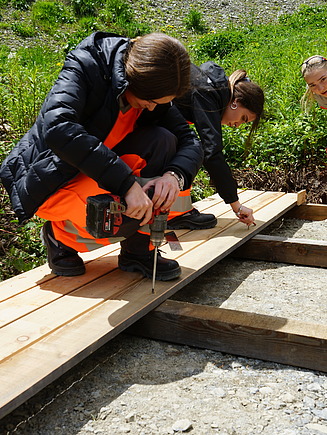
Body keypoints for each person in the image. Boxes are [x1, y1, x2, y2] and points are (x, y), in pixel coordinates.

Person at [0, 32, 203, 279]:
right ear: (133, 80)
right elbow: (57, 127)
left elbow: (189, 140)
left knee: (163, 140)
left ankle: (138, 253)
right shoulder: (88, 65)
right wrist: (127, 185)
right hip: (54, 176)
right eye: (149, 101)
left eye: (160, 103)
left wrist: (174, 176)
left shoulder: (152, 94)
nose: (152, 107)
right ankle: (60, 238)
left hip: (100, 169)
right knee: (119, 214)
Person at [168, 61, 264, 230]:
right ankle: (175, 214)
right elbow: (212, 153)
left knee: (184, 142)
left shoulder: (211, 87)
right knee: (190, 147)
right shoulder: (208, 92)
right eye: (243, 118)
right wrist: (237, 206)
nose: (236, 125)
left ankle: (174, 211)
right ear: (236, 102)